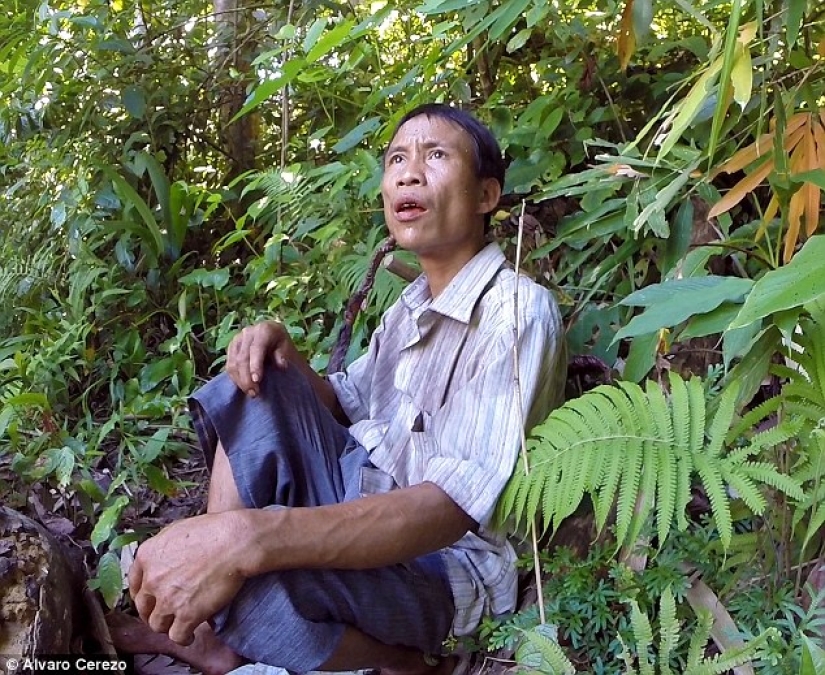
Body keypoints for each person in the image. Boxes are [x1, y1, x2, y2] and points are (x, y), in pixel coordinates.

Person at [115, 103, 567, 675]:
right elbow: (343, 406)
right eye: (397, 159)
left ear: (486, 195)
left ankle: (406, 665)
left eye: (435, 156)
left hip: (441, 565)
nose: (408, 173)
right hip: (360, 496)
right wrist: (285, 354)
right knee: (252, 382)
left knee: (257, 583)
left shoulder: (516, 312)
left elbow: (452, 510)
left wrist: (250, 538)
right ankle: (211, 625)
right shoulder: (410, 308)